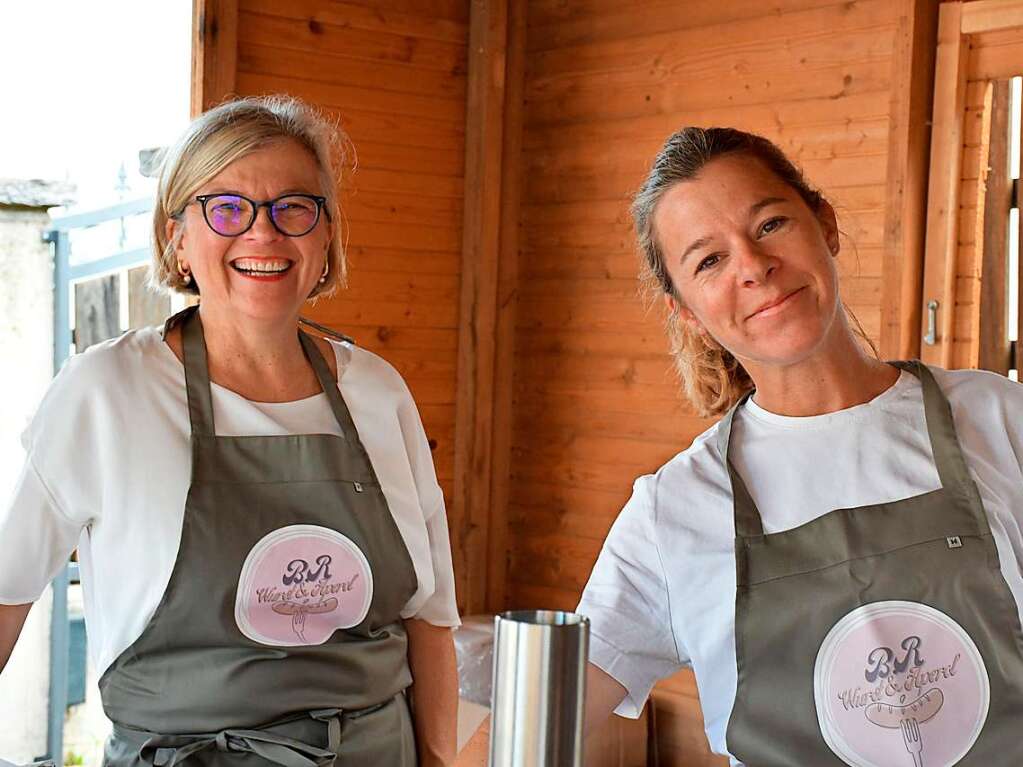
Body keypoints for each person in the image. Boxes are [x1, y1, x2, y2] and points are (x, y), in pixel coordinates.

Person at [0, 96, 459, 766]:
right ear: (178, 237)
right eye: (226, 208)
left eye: (293, 207)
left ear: (326, 234)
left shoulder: (379, 393)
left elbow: (430, 618)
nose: (262, 234)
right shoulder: (107, 392)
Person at [574, 127, 1023, 766]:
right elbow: (545, 714)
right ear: (690, 314)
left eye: (770, 225)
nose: (754, 267)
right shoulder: (674, 509)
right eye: (709, 261)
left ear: (826, 226)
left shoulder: (1001, 423)